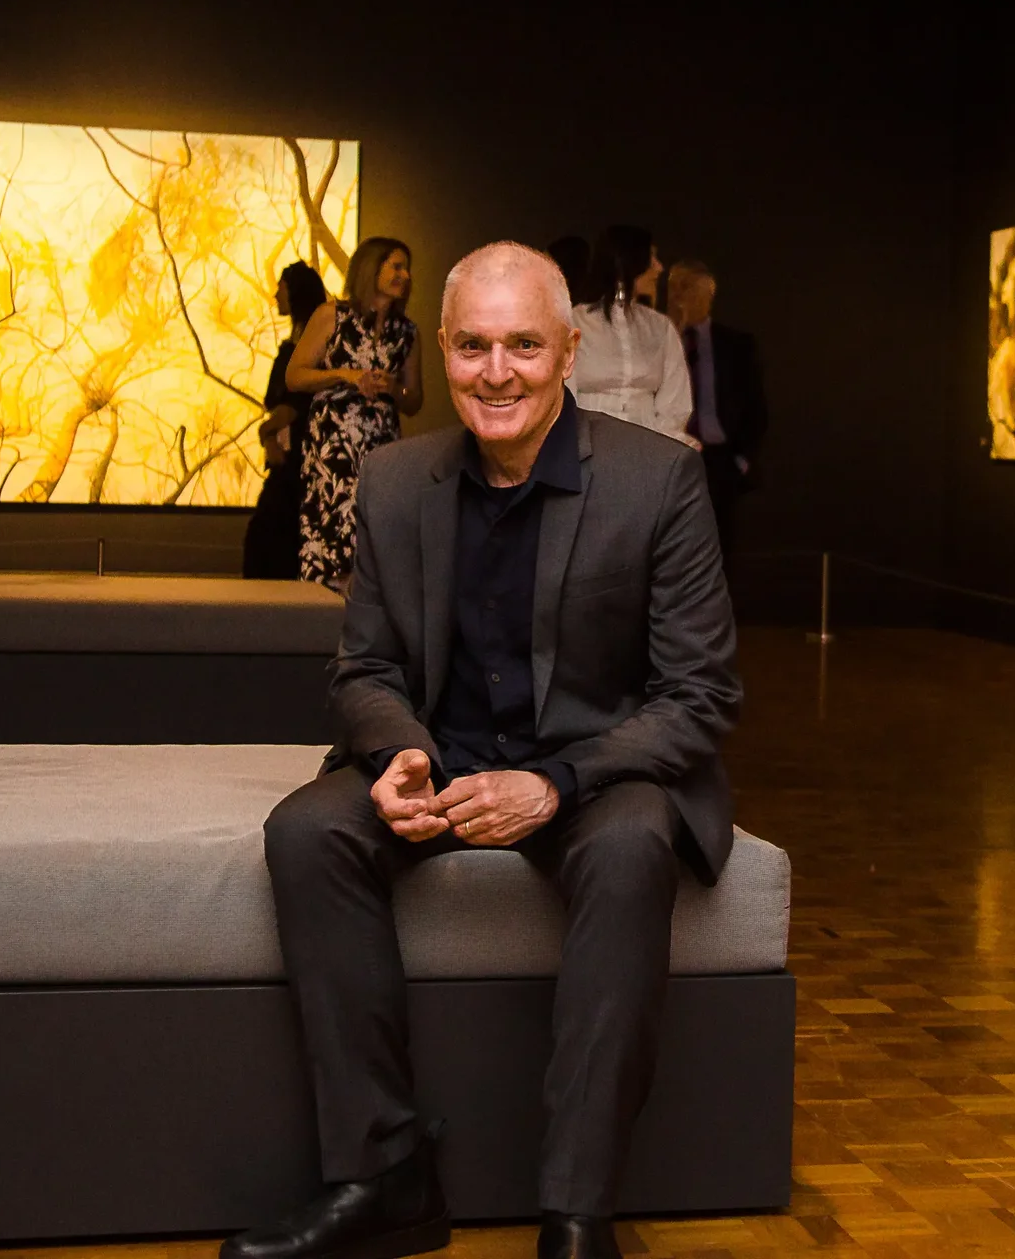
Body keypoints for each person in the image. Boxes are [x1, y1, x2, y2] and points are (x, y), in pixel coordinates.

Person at [232, 242, 740, 1259]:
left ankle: (576, 1211)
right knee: (305, 830)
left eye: (521, 344)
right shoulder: (395, 479)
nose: (495, 370)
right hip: (445, 752)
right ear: (446, 349)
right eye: (471, 345)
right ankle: (383, 1173)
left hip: (598, 769)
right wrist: (403, 755)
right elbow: (363, 668)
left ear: (567, 350)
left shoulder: (660, 482)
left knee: (635, 847)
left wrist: (552, 782)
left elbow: (700, 695)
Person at [291, 237, 425, 589]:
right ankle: (318, 617)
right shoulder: (332, 315)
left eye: (406, 268)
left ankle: (365, 617)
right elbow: (295, 376)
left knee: (374, 525)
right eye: (396, 266)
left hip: (380, 444)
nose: (404, 275)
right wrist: (344, 375)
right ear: (371, 268)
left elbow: (414, 401)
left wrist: (394, 389)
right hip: (333, 443)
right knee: (332, 522)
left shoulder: (407, 332)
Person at [664, 259, 768, 553]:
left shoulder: (736, 345)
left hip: (720, 461)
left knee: (720, 548)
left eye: (686, 286)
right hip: (672, 455)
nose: (677, 294)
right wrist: (673, 330)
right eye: (672, 286)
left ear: (707, 293)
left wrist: (742, 460)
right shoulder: (658, 337)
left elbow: (755, 407)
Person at [566, 225, 693, 447]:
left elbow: (675, 400)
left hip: (647, 448)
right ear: (628, 261)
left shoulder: (659, 327)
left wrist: (659, 449)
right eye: (651, 257)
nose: (659, 268)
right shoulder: (575, 323)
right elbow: (564, 395)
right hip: (588, 448)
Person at [243, 261, 331, 578]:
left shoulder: (312, 346)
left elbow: (297, 401)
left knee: (270, 538)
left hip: (301, 461)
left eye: (280, 289)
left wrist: (267, 429)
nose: (274, 296)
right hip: (288, 459)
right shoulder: (297, 343)